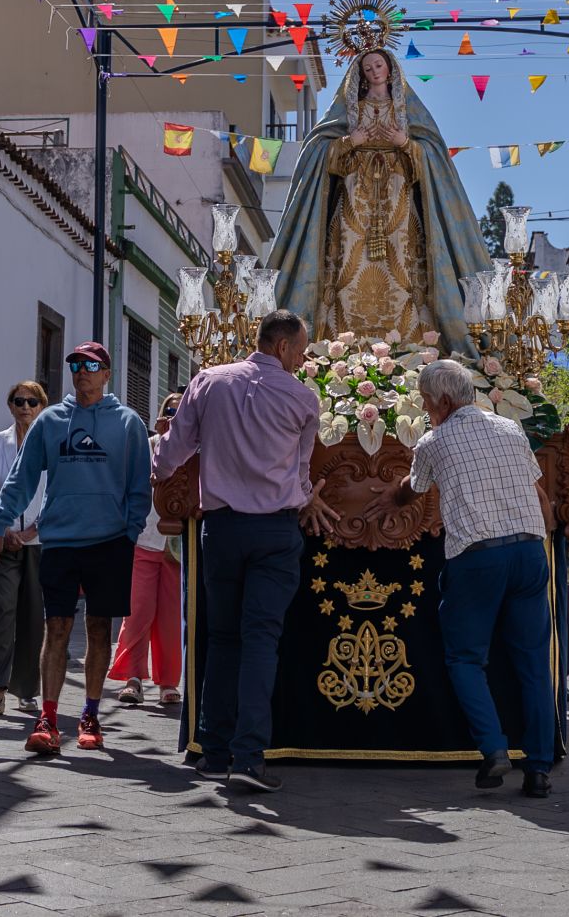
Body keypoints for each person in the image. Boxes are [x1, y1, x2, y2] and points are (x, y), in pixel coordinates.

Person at [150, 312, 336, 792]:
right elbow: (299, 472)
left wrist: (160, 472)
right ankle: (249, 758)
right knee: (260, 640)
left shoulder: (208, 382)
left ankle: (214, 752)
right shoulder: (302, 398)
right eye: (300, 350)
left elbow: (171, 452)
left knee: (223, 638)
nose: (302, 359)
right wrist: (308, 496)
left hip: (223, 529)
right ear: (281, 347)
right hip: (274, 531)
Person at [381, 360, 558, 796]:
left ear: (442, 402)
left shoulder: (434, 440)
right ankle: (539, 768)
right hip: (529, 550)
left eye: (426, 402)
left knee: (465, 659)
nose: (425, 409)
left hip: (478, 558)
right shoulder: (510, 429)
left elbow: (412, 489)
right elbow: (536, 488)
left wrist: (389, 496)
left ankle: (494, 748)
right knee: (534, 664)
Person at [0, 342, 151, 755]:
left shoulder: (128, 423)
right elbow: (20, 479)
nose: (82, 371)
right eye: (75, 364)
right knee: (55, 628)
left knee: (98, 629)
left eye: (91, 364)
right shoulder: (51, 420)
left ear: (106, 373)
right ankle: (48, 718)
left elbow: (140, 485)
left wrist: (130, 532)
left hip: (110, 542)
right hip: (60, 542)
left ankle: (90, 714)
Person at [265, 42, 492, 355]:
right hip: (353, 204)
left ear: (391, 69)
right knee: (347, 265)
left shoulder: (407, 112)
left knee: (405, 266)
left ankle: (413, 346)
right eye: (367, 68)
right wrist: (349, 141)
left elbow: (432, 157)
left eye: (379, 65)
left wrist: (405, 143)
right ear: (360, 74)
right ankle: (340, 347)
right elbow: (320, 153)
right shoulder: (348, 111)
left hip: (399, 204)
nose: (374, 72)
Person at [0, 382, 49, 716]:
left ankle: (27, 690)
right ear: (10, 406)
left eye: (32, 402)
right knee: (3, 610)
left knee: (33, 616)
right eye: (19, 401)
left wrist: (34, 529)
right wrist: (1, 527)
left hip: (38, 541)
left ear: (41, 406)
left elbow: (53, 493)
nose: (25, 407)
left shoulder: (49, 444)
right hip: (1, 540)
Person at [112, 393, 186, 707]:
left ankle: (168, 682)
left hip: (176, 547)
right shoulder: (147, 447)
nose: (173, 417)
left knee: (171, 619)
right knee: (137, 612)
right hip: (144, 539)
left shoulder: (194, 449)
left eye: (180, 412)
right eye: (169, 410)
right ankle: (133, 678)